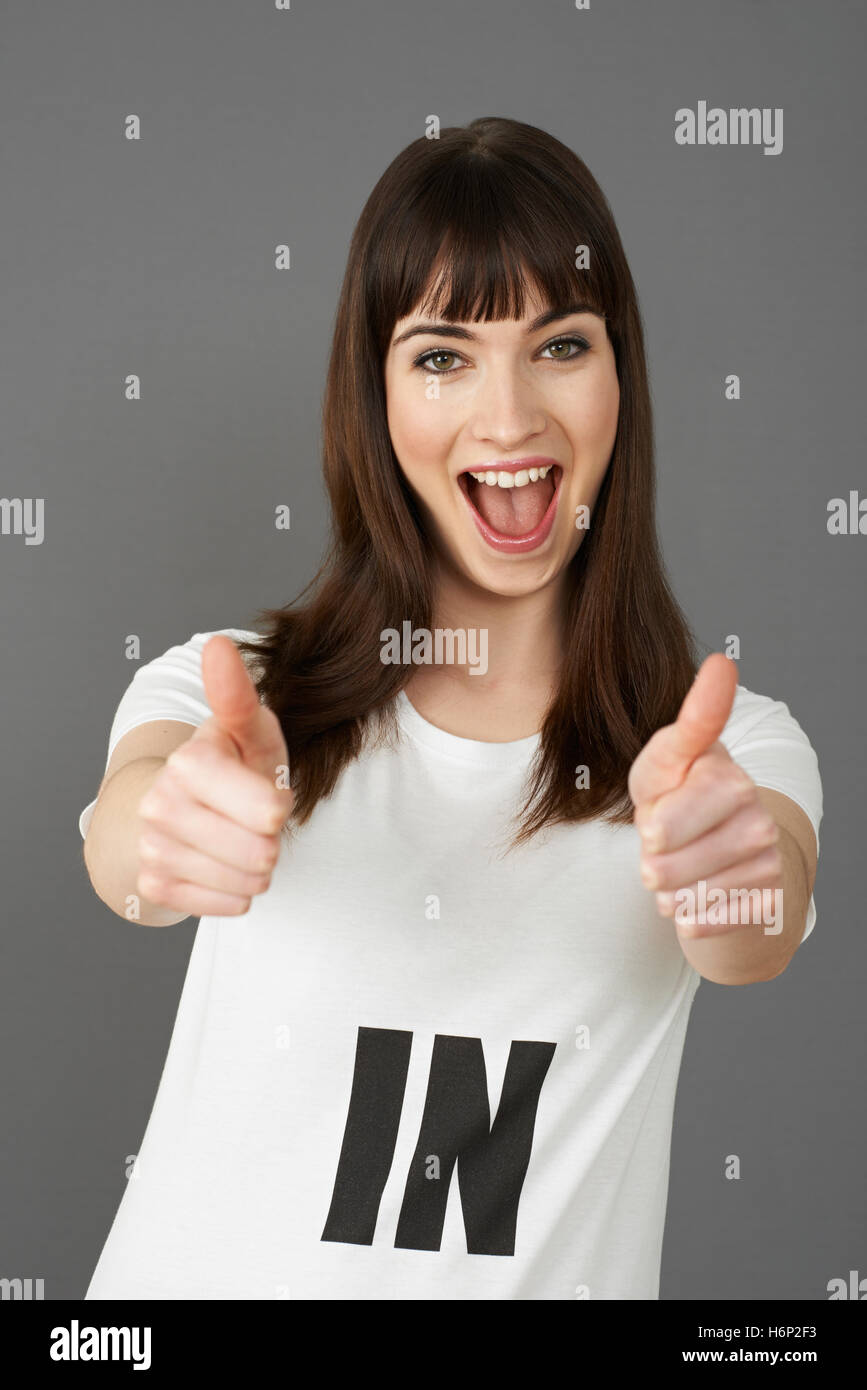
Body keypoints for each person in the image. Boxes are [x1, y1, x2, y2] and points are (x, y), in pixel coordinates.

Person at [79, 116, 821, 1300]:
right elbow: (127, 844)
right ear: (374, 397)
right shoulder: (232, 693)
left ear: (621, 374)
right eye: (441, 356)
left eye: (560, 347)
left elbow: (755, 925)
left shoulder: (723, 752)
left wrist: (727, 867)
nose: (510, 418)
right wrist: (163, 835)